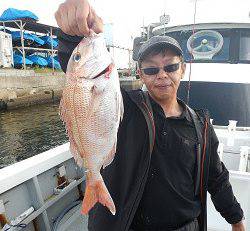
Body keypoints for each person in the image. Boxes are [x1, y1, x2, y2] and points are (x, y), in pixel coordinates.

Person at [55, 1, 245, 230]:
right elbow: (77, 72)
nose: (162, 75)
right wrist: (73, 32)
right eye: (152, 69)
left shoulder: (201, 125)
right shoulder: (128, 108)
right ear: (141, 75)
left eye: (171, 67)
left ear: (182, 69)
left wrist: (236, 220)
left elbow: (217, 178)